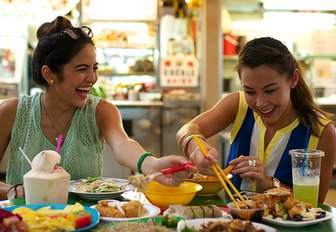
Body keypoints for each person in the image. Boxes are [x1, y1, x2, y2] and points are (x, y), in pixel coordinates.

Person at [0, 16, 196, 200]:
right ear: (49, 74)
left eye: (94, 68)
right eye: (82, 69)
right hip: (22, 221)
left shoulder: (101, 111)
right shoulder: (13, 112)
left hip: (86, 220)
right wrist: (16, 191)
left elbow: (123, 145)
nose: (92, 78)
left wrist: (152, 165)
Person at [177, 37, 336, 203]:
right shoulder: (239, 105)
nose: (260, 103)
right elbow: (186, 130)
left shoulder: (321, 131)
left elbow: (314, 204)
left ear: (294, 79)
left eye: (271, 90)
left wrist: (268, 183)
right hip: (234, 224)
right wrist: (198, 148)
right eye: (250, 92)